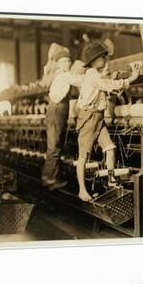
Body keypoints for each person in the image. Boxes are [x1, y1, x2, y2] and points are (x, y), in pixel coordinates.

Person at [75, 41, 141, 202]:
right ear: (95, 60)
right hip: (89, 118)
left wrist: (114, 77)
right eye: (103, 57)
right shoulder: (92, 75)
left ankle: (111, 180)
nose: (105, 59)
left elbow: (106, 83)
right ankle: (82, 190)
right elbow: (108, 85)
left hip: (98, 117)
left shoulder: (95, 75)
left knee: (110, 148)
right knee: (83, 156)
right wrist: (132, 78)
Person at [42, 47, 85, 190]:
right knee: (54, 145)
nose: (67, 63)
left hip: (57, 110)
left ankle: (48, 176)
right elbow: (80, 80)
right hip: (57, 110)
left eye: (69, 60)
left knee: (54, 144)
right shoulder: (64, 75)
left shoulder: (60, 74)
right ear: (59, 64)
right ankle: (50, 179)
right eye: (64, 61)